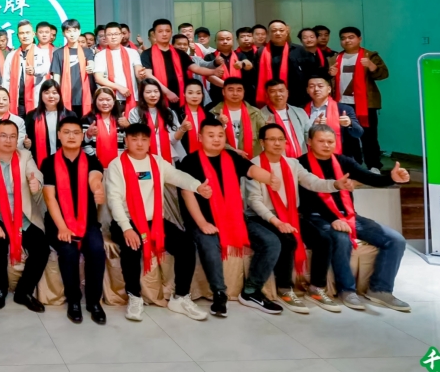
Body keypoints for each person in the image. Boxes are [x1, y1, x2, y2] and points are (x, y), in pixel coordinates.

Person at [298, 125, 411, 311]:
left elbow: (369, 178)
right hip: (316, 216)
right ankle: (347, 290)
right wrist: (333, 219)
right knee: (341, 238)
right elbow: (308, 198)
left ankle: (380, 289)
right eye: (321, 141)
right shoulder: (300, 164)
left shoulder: (343, 161)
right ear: (309, 142)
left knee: (395, 240)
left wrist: (391, 178)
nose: (326, 145)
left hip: (348, 215)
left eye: (330, 141)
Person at [105, 123, 210, 321]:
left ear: (149, 142)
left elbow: (177, 176)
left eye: (144, 139)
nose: (139, 143)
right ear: (126, 141)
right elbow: (114, 200)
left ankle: (181, 297)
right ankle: (134, 297)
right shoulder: (116, 165)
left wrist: (197, 187)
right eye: (134, 139)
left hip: (155, 222)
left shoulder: (157, 162)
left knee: (186, 245)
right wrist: (126, 228)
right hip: (126, 221)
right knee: (131, 247)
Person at [176, 118, 277, 317]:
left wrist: (269, 178)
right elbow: (187, 194)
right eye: (211, 135)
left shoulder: (231, 156)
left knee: (271, 242)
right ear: (200, 137)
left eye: (220, 135)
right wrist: (202, 223)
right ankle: (219, 293)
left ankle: (251, 291)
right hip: (202, 220)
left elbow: (251, 169)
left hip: (234, 218)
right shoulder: (190, 161)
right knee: (209, 245)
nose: (216, 139)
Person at [244, 123, 349, 314]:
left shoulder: (292, 163)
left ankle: (316, 288)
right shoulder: (253, 166)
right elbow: (254, 201)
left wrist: (335, 184)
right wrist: (277, 222)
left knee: (324, 239)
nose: (277, 143)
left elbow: (312, 182)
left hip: (290, 213)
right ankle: (285, 288)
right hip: (263, 216)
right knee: (288, 240)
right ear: (262, 142)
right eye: (272, 139)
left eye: (281, 139)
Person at [0, 119, 48, 313]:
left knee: (41, 247)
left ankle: (24, 291)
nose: (8, 140)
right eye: (3, 136)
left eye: (12, 136)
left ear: (18, 139)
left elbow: (35, 174)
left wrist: (36, 184)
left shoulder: (25, 156)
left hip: (23, 216)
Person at [42, 116, 107, 324]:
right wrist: (62, 227)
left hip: (87, 221)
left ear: (82, 136)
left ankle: (94, 302)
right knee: (68, 252)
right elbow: (49, 198)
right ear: (59, 135)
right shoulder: (49, 162)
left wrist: (98, 188)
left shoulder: (92, 160)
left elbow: (95, 177)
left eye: (76, 133)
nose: (71, 136)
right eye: (67, 132)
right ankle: (74, 301)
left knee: (96, 250)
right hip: (57, 222)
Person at [328, 27, 388, 171]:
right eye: (343, 38)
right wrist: (330, 74)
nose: (347, 41)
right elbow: (329, 82)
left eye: (351, 37)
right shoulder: (335, 58)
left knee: (369, 137)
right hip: (342, 103)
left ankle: (373, 166)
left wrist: (372, 66)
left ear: (359, 39)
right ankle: (353, 166)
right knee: (348, 138)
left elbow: (383, 74)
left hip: (366, 104)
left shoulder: (370, 56)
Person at [304, 75, 363, 162]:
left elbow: (359, 133)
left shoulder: (344, 109)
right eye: (312, 86)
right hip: (310, 158)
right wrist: (314, 127)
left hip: (342, 158)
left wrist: (349, 123)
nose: (316, 89)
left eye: (320, 86)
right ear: (307, 90)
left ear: (329, 89)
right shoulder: (301, 111)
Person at [127, 79, 184, 163]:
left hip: (167, 156)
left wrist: (183, 129)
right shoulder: (135, 112)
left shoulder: (168, 112)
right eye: (148, 92)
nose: (153, 95)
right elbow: (136, 137)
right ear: (142, 94)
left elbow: (173, 139)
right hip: (143, 157)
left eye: (156, 91)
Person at [93, 21, 145, 113]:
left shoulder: (133, 52)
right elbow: (98, 78)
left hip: (132, 96)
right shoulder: (100, 55)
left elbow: (138, 71)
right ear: (105, 37)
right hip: (111, 99)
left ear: (121, 35)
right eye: (109, 34)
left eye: (116, 34)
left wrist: (141, 74)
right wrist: (119, 88)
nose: (113, 37)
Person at [50, 19, 97, 117]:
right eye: (68, 31)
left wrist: (91, 67)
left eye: (75, 31)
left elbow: (91, 63)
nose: (72, 34)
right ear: (63, 33)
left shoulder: (87, 51)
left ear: (79, 31)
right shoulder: (58, 53)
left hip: (85, 95)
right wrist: (55, 94)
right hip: (65, 96)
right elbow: (56, 77)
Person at [210, 78, 266, 158]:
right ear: (223, 92)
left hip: (253, 160)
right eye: (231, 90)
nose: (235, 93)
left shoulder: (256, 113)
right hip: (224, 158)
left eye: (239, 90)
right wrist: (233, 151)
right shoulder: (213, 113)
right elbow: (210, 139)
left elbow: (265, 136)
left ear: (244, 92)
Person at [141, 19, 193, 105]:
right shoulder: (147, 54)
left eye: (167, 31)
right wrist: (167, 92)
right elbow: (148, 75)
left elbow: (195, 68)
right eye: (160, 31)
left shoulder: (180, 53)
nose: (164, 34)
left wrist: (213, 69)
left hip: (180, 96)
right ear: (154, 34)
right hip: (157, 97)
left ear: (171, 33)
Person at [4, 20, 50, 115]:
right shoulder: (11, 55)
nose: (25, 36)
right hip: (16, 102)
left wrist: (35, 70)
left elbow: (46, 69)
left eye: (27, 32)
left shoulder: (42, 53)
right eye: (22, 33)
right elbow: (6, 80)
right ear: (18, 36)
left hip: (36, 101)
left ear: (33, 34)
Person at [24, 79, 68, 168]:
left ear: (60, 95)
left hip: (65, 162)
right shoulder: (31, 116)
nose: (51, 96)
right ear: (41, 95)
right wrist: (27, 144)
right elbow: (27, 141)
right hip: (38, 163)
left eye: (54, 93)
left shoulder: (69, 115)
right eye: (47, 92)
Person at [260, 79, 309, 158]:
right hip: (275, 161)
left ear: (287, 93)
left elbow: (309, 137)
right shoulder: (260, 115)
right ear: (267, 94)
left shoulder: (299, 112)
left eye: (281, 90)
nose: (278, 94)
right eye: (273, 91)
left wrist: (317, 126)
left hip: (301, 159)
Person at [83, 87, 123, 167]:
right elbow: (82, 144)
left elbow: (126, 144)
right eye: (101, 100)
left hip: (119, 165)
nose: (105, 103)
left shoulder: (121, 121)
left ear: (114, 101)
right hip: (94, 165)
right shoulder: (88, 120)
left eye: (108, 100)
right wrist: (88, 135)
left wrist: (128, 126)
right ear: (95, 101)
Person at [175, 80, 210, 156]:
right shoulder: (177, 114)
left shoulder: (209, 114)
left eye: (198, 93)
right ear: (184, 94)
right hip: (183, 155)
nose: (195, 96)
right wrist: (182, 128)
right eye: (190, 93)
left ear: (202, 95)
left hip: (207, 153)